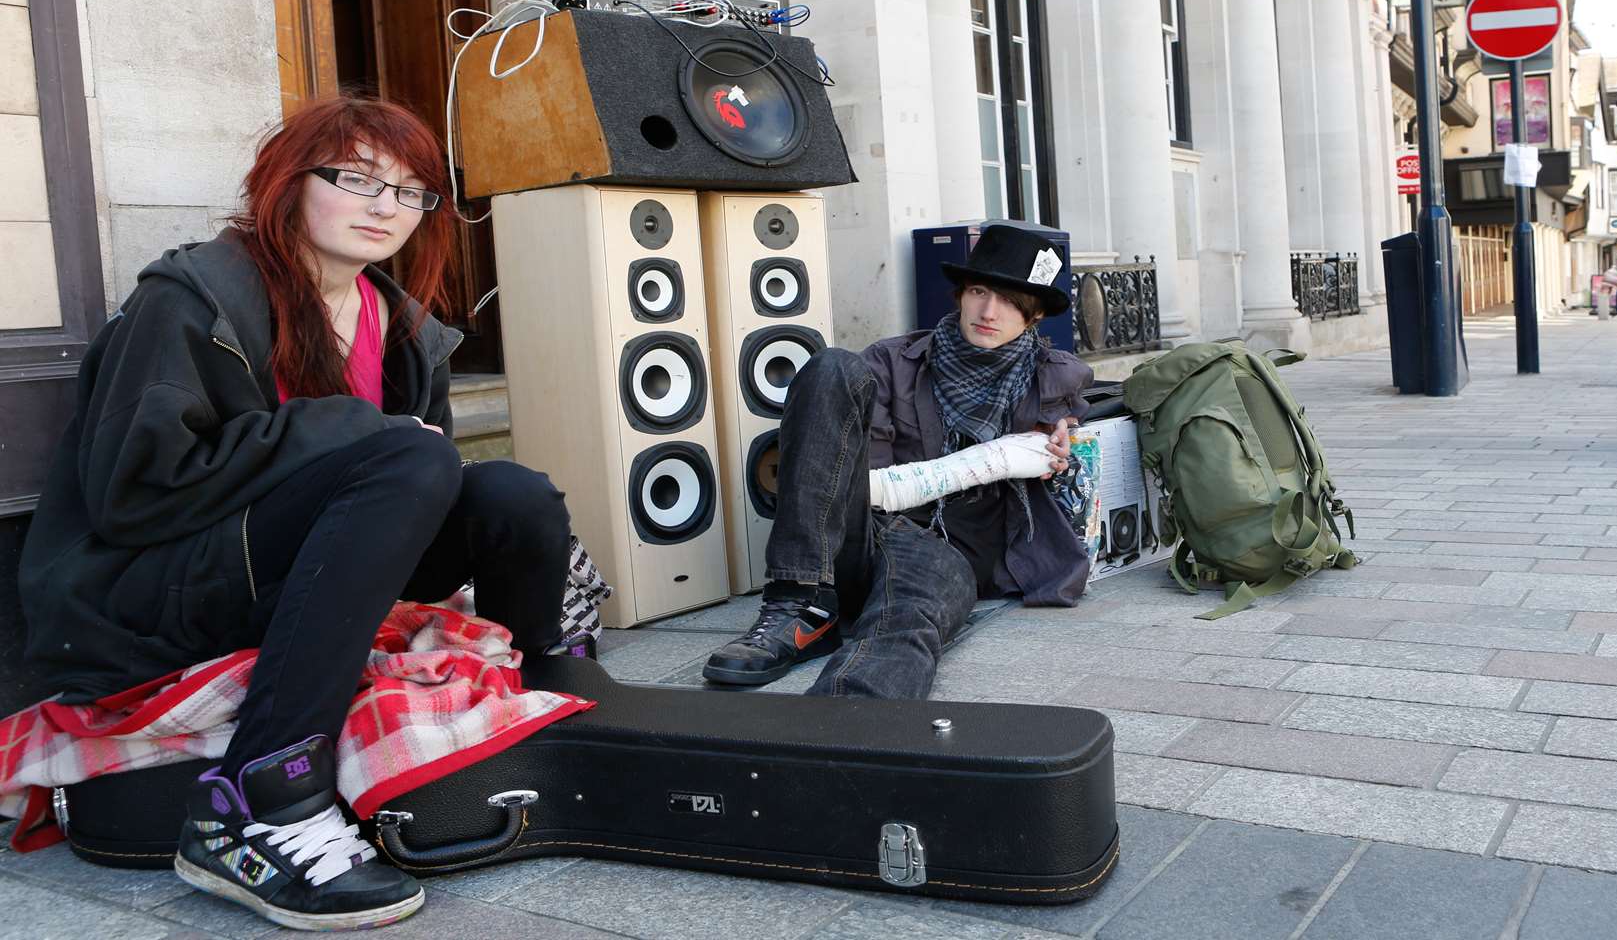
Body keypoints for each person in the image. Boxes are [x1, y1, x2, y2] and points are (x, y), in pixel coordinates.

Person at [17, 97, 572, 931]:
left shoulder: (405, 328)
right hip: (155, 588)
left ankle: (533, 692)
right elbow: (133, 492)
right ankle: (255, 799)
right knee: (411, 453)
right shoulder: (194, 299)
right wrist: (354, 428)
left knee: (512, 494)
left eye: (412, 192)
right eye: (356, 179)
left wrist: (389, 450)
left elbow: (414, 495)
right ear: (286, 182)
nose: (386, 207)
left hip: (298, 572)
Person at [702, 225, 1092, 696]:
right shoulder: (891, 361)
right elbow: (866, 487)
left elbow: (1065, 436)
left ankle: (841, 731)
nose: (989, 312)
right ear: (961, 295)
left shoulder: (1052, 378)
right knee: (832, 365)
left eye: (1010, 301)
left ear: (1033, 317)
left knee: (905, 622)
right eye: (979, 292)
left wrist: (1059, 444)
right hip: (868, 531)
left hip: (950, 552)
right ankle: (797, 605)